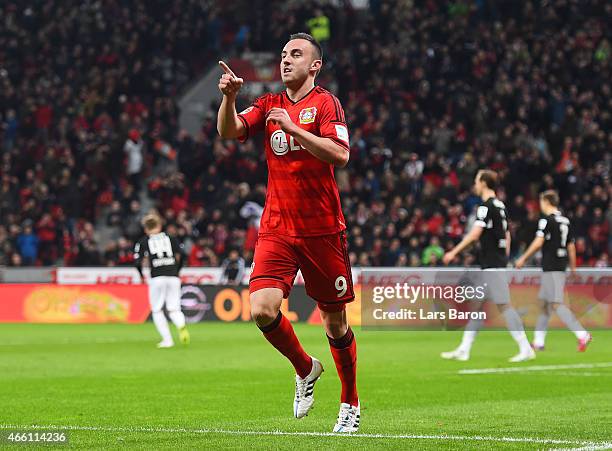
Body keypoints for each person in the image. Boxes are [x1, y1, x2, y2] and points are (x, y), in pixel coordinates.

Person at [216, 33, 359, 433]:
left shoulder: (326, 103)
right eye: (283, 54)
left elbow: (341, 155)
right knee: (261, 309)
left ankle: (350, 402)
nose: (286, 60)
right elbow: (229, 131)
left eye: (296, 54)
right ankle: (305, 368)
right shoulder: (269, 104)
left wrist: (295, 130)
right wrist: (228, 98)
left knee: (335, 324)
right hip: (277, 227)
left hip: (322, 231)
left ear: (315, 65)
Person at [441, 170, 535, 362]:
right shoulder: (500, 206)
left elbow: (475, 234)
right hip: (495, 262)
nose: (475, 185)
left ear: (483, 183)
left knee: (504, 306)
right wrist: (504, 255)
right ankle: (464, 349)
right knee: (478, 307)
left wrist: (453, 252)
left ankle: (526, 348)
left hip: (492, 264)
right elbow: (507, 234)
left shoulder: (485, 207)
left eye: (477, 181)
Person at [515, 190, 592, 351]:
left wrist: (523, 258)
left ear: (547, 202)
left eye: (542, 202)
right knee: (544, 304)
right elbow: (571, 246)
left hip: (551, 266)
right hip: (560, 265)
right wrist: (572, 267)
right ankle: (539, 341)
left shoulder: (547, 221)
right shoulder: (565, 221)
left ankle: (582, 334)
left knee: (557, 304)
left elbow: (538, 242)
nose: (541, 205)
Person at [134, 214, 190, 348]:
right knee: (174, 308)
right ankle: (181, 325)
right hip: (173, 276)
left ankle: (167, 340)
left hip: (157, 277)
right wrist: (177, 270)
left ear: (146, 229)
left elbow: (137, 261)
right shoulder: (170, 238)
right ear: (159, 226)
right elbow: (183, 254)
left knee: (157, 310)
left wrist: (141, 275)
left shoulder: (143, 241)